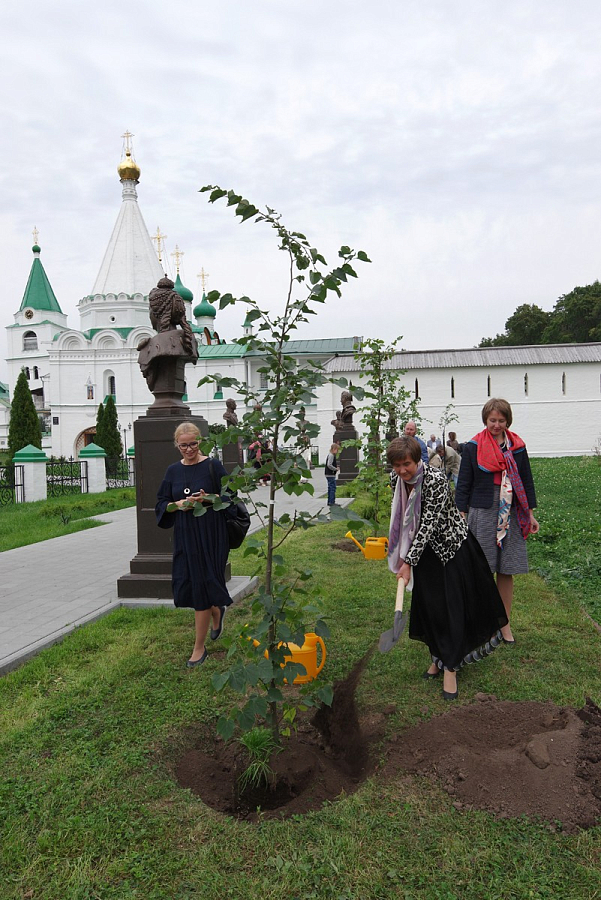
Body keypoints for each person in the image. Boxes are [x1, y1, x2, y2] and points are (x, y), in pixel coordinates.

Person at [387, 436, 508, 700]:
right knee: (430, 608)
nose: (402, 470)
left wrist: (407, 562)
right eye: (397, 465)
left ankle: (450, 667)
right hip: (423, 554)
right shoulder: (396, 480)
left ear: (417, 460)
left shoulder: (436, 480)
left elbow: (427, 526)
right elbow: (404, 518)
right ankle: (438, 657)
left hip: (450, 548)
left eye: (406, 464)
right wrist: (407, 558)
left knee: (450, 608)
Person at [455, 399, 539, 646]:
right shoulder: (473, 446)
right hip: (482, 511)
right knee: (483, 570)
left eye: (501, 420)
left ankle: (504, 625)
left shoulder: (518, 447)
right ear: (486, 420)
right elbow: (464, 482)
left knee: (506, 568)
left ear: (507, 421)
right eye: (492, 420)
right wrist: (461, 513)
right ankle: (484, 625)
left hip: (510, 510)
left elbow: (526, 480)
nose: (496, 425)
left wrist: (530, 514)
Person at [156, 422, 232, 668]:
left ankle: (199, 647)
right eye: (183, 445)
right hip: (186, 534)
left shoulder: (213, 466)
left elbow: (230, 496)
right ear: (176, 445)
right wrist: (178, 505)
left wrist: (207, 499)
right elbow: (162, 504)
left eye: (193, 444)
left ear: (200, 442)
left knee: (204, 584)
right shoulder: (172, 471)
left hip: (212, 534)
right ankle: (216, 610)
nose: (189, 449)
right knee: (195, 582)